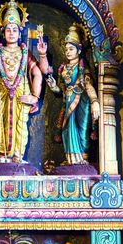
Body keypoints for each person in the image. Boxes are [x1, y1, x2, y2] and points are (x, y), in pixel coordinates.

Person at [0, 0, 46, 163]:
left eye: (15, 29)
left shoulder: (25, 52)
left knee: (21, 124)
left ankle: (17, 156)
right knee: (1, 123)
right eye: (8, 30)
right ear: (3, 31)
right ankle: (2, 155)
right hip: (1, 91)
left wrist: (35, 96)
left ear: (20, 31)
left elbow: (38, 73)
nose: (12, 33)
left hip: (22, 91)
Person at [45, 25, 100, 165]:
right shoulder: (63, 69)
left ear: (79, 50)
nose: (68, 52)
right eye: (66, 49)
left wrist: (94, 101)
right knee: (67, 131)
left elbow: (88, 85)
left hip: (81, 102)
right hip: (68, 101)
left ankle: (83, 160)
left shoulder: (82, 68)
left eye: (71, 49)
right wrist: (53, 86)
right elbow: (61, 90)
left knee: (82, 130)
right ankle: (70, 160)